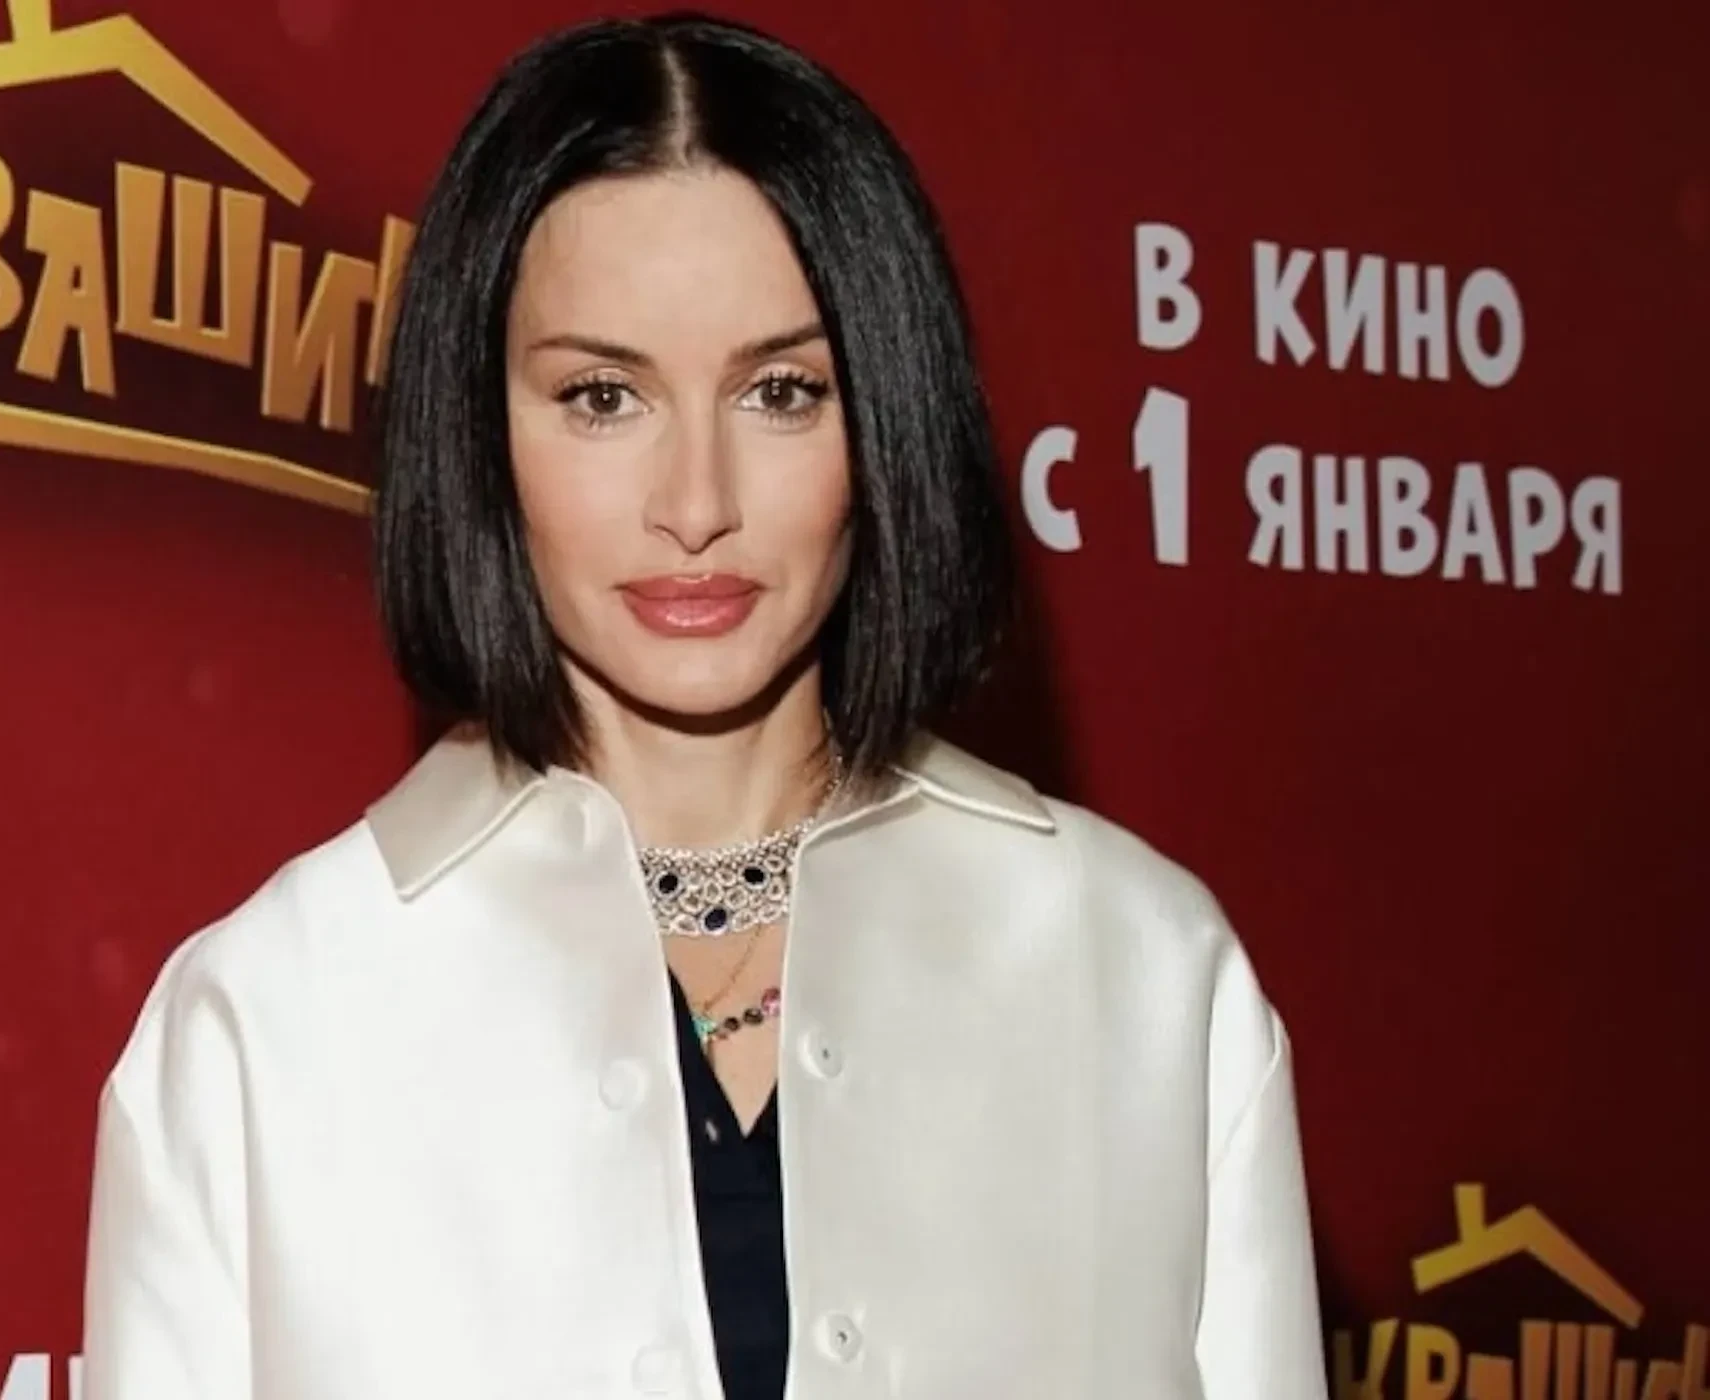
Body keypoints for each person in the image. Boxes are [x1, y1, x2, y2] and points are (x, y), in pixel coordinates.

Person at [80, 12, 1327, 1399]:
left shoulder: (1139, 970)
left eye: (781, 391)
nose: (695, 504)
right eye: (602, 396)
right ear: (480, 430)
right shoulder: (268, 1018)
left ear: (885, 420)